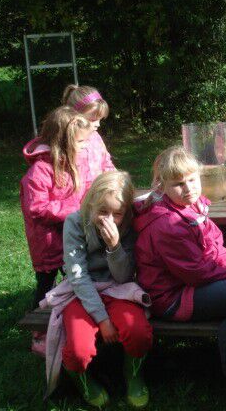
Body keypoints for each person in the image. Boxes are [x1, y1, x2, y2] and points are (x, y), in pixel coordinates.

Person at [133, 146, 226, 322]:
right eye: (179, 184)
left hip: (193, 282)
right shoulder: (167, 223)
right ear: (162, 186)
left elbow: (214, 244)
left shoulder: (194, 205)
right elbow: (195, 271)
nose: (188, 188)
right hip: (173, 297)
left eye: (192, 179)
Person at [58, 171, 152, 408]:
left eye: (117, 213)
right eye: (102, 211)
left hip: (117, 288)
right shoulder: (75, 223)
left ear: (126, 212)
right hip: (81, 291)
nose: (108, 219)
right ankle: (81, 378)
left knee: (138, 332)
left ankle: (133, 374)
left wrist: (114, 246)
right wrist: (102, 319)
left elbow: (123, 277)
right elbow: (78, 276)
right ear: (91, 204)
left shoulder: (129, 225)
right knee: (78, 350)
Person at [20, 107, 93, 311]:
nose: (85, 146)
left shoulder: (76, 162)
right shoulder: (40, 171)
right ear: (63, 142)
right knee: (46, 285)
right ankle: (38, 324)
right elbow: (37, 208)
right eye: (80, 141)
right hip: (49, 242)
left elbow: (86, 187)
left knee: (76, 278)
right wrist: (75, 210)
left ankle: (70, 314)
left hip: (71, 236)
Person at [62, 84, 115, 190]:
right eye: (92, 120)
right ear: (74, 116)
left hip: (98, 194)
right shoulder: (66, 141)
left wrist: (114, 181)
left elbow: (106, 163)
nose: (98, 124)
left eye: (100, 119)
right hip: (76, 196)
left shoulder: (96, 138)